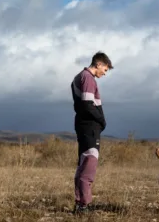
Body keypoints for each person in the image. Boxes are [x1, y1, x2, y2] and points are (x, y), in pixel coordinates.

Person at [70, 51, 113, 214]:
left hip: (84, 126)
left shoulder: (79, 77)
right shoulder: (87, 78)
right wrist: (102, 121)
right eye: (105, 69)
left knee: (83, 164)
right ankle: (83, 205)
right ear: (99, 64)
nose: (105, 73)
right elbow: (88, 105)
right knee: (89, 164)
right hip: (89, 128)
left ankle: (81, 203)